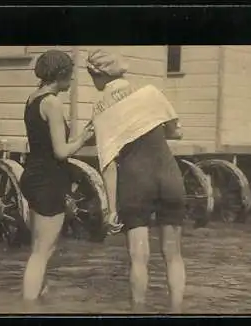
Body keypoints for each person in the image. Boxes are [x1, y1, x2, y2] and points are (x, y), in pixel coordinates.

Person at [86, 49, 186, 313]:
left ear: (97, 76)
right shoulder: (151, 93)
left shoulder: (101, 111)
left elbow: (108, 164)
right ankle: (177, 311)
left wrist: (112, 210)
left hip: (136, 181)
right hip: (169, 176)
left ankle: (138, 313)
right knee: (173, 255)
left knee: (138, 259)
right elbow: (175, 131)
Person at [20, 50, 94, 304]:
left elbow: (46, 145)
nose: (72, 81)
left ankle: (41, 302)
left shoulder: (32, 98)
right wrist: (84, 138)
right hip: (49, 180)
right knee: (42, 252)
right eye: (71, 75)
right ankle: (27, 309)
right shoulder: (53, 103)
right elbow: (61, 152)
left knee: (39, 250)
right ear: (61, 75)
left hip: (32, 175)